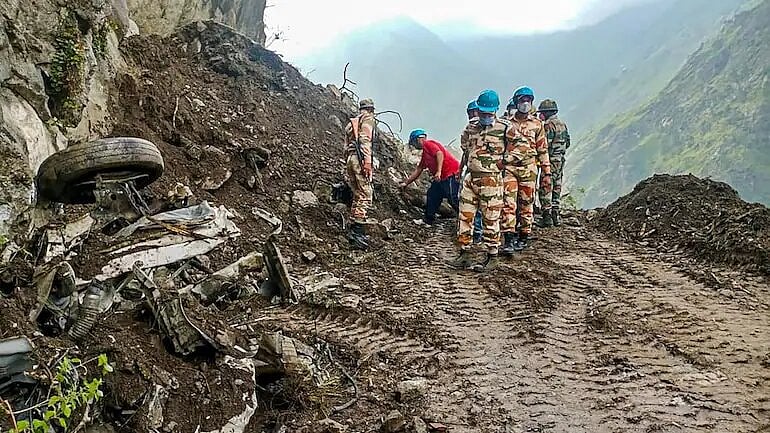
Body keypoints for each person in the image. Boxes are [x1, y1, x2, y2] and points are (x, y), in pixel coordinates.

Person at [451, 89, 515, 271]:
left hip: (491, 181)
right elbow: (466, 150)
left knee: (491, 218)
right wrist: (461, 169)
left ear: (495, 111)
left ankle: (492, 256)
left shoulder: (505, 128)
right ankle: (464, 253)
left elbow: (519, 150)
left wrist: (504, 162)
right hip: (471, 179)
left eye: (488, 113)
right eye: (482, 113)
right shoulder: (471, 127)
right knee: (465, 217)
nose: (484, 116)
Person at [500, 86, 551, 253]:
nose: (525, 103)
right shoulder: (506, 124)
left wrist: (546, 173)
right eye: (522, 100)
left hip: (529, 169)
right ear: (516, 102)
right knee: (508, 203)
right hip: (510, 169)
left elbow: (543, 150)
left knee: (526, 204)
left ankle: (523, 236)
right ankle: (508, 239)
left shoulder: (537, 125)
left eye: (528, 100)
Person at [399, 129, 461, 225]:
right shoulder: (425, 154)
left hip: (450, 173)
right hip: (440, 177)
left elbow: (439, 154)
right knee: (432, 195)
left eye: (413, 142)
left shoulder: (428, 144)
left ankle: (466, 219)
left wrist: (438, 171)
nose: (413, 146)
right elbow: (419, 169)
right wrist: (406, 183)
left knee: (453, 198)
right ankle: (429, 219)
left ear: (418, 140)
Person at [344, 98, 376, 249]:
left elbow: (345, 146)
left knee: (358, 193)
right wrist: (367, 161)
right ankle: (358, 236)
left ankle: (352, 230)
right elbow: (365, 140)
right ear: (371, 109)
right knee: (365, 194)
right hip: (359, 158)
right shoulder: (368, 119)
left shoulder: (351, 123)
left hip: (350, 158)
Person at [536, 99, 571, 227]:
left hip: (550, 161)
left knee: (546, 187)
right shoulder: (563, 124)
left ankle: (546, 218)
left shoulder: (548, 126)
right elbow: (568, 142)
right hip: (561, 159)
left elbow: (544, 145)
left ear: (546, 113)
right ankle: (556, 215)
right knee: (557, 186)